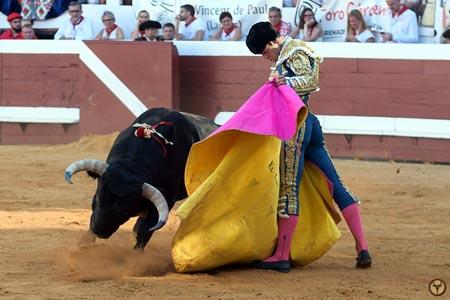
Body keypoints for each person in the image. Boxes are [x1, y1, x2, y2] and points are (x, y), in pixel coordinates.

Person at [246, 22, 372, 272]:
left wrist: (284, 83)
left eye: (263, 52)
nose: (264, 57)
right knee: (335, 184)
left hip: (297, 126)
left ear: (271, 43)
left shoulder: (293, 51)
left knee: (289, 188)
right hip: (308, 122)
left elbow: (311, 80)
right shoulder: (289, 52)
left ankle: (281, 255)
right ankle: (363, 248)